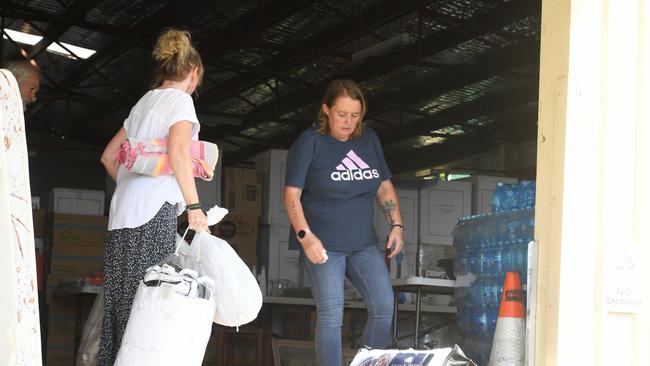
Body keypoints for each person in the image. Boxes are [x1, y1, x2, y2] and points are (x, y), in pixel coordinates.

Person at [98, 28, 209, 365]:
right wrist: (194, 208)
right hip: (153, 215)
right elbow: (178, 151)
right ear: (192, 72)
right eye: (197, 81)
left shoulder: (143, 103)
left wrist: (132, 186)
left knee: (119, 306)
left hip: (122, 216)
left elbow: (108, 155)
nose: (195, 88)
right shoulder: (180, 101)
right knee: (148, 304)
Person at [283, 79, 405, 366]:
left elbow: (384, 187)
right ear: (326, 110)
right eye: (342, 114)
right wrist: (305, 236)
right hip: (323, 245)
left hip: (363, 243)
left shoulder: (368, 140)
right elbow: (291, 194)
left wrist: (397, 225)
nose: (349, 122)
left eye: (355, 115)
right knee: (331, 314)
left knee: (384, 306)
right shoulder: (309, 142)